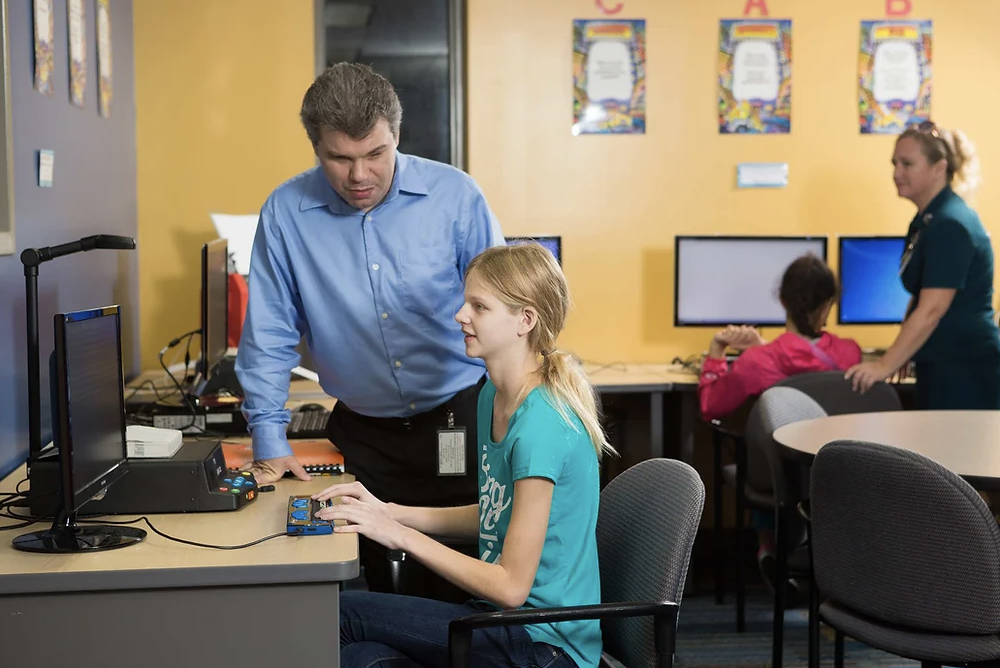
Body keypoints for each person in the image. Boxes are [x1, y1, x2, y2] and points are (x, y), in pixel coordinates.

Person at [234, 63, 504, 600]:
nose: (360, 176)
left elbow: (504, 309)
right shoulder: (287, 212)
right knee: (360, 592)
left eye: (375, 154)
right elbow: (269, 330)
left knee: (460, 585)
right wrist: (269, 434)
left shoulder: (455, 197)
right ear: (315, 147)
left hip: (460, 419)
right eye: (340, 158)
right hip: (364, 435)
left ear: (396, 137)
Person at [313, 243, 611, 668]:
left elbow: (510, 587)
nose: (460, 315)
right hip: (502, 621)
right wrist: (391, 512)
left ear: (525, 320)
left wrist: (398, 536)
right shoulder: (493, 395)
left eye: (479, 306)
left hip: (544, 643)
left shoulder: (542, 426)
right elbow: (496, 514)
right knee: (365, 658)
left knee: (342, 615)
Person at [698, 253, 861, 592]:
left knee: (765, 446)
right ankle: (816, 554)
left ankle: (769, 546)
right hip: (835, 471)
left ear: (783, 299)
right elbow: (804, 358)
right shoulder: (851, 355)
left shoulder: (759, 361)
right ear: (830, 302)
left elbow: (711, 405)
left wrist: (717, 351)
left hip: (777, 477)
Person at [846, 121, 1000, 409]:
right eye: (894, 163)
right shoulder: (928, 220)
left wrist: (884, 365)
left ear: (938, 168)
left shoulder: (950, 225)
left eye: (907, 164)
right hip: (942, 359)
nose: (896, 173)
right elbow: (920, 296)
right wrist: (902, 352)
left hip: (963, 366)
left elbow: (932, 310)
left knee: (954, 452)